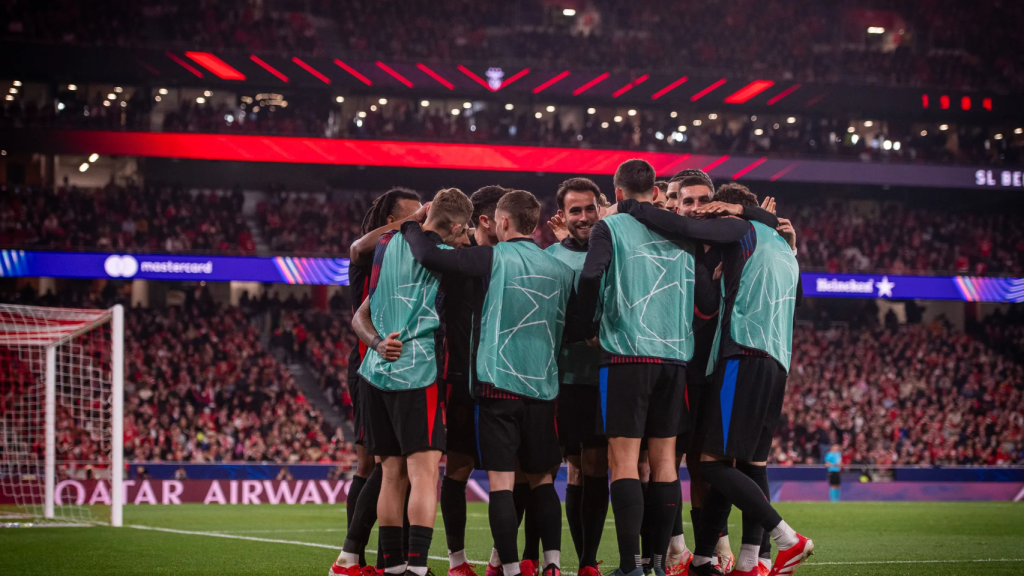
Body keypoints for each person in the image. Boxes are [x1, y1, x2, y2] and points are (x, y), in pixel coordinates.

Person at [574, 160, 779, 576]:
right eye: (686, 200)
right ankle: (667, 558)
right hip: (678, 363)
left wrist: (586, 326)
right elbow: (705, 303)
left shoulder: (616, 228)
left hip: (639, 358)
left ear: (616, 193)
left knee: (633, 461)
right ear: (660, 194)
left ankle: (640, 564)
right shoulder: (685, 238)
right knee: (669, 463)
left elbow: (592, 276)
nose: (695, 208)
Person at [616, 184, 809, 576]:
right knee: (747, 461)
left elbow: (684, 228)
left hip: (743, 352)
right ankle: (746, 562)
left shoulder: (740, 229)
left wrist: (631, 207)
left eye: (713, 208)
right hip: (776, 362)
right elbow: (798, 301)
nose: (705, 215)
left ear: (730, 212)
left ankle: (786, 537)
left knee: (713, 465)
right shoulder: (782, 248)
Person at [402, 190, 574, 576]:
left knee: (507, 479)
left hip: (492, 383)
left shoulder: (489, 259)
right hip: (523, 384)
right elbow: (578, 322)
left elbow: (428, 255)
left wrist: (412, 225)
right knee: (529, 476)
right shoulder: (549, 266)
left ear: (503, 221)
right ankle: (534, 564)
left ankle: (506, 562)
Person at [350, 188, 475, 576]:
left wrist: (374, 342)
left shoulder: (386, 244)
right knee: (423, 474)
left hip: (375, 371)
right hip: (417, 371)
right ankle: (418, 567)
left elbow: (361, 312)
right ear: (456, 226)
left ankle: (393, 566)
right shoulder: (450, 258)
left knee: (390, 474)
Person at [332, 187, 425, 576]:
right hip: (370, 359)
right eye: (413, 215)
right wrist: (417, 220)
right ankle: (354, 556)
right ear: (393, 220)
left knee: (393, 463)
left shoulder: (405, 252)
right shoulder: (372, 250)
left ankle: (386, 558)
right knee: (375, 463)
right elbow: (354, 248)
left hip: (393, 358)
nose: (421, 221)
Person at [440, 185, 510, 576]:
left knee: (511, 471)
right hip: (463, 382)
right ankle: (456, 561)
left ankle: (501, 558)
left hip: (509, 382)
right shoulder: (457, 262)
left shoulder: (516, 260)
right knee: (458, 468)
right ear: (487, 220)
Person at [545, 178, 607, 576]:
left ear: (601, 208)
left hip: (605, 378)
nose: (583, 217)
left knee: (597, 465)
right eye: (575, 210)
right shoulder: (550, 258)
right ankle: (572, 556)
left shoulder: (617, 251)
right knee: (575, 467)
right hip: (562, 379)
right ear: (564, 216)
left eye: (589, 208)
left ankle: (588, 562)